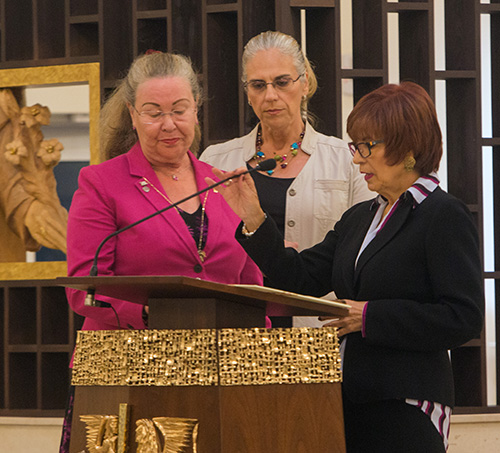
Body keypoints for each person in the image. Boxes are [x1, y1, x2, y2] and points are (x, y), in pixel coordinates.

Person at [207, 81, 484, 452]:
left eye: (367, 146)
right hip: (347, 397)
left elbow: (462, 316)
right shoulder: (359, 218)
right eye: (356, 146)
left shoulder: (442, 214)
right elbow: (300, 279)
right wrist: (254, 219)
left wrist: (370, 317)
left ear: (409, 148)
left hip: (407, 401)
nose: (356, 159)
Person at [60, 51, 263, 452]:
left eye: (180, 110)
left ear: (196, 111)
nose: (169, 124)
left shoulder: (222, 182)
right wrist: (160, 314)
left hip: (222, 374)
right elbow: (85, 289)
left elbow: (251, 280)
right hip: (125, 371)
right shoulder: (101, 182)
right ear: (133, 115)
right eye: (154, 112)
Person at [201, 30, 372, 327]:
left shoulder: (347, 160)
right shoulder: (216, 162)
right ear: (247, 91)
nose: (270, 95)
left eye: (282, 82)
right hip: (234, 329)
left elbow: (367, 255)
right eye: (258, 85)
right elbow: (199, 249)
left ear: (304, 83)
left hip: (320, 331)